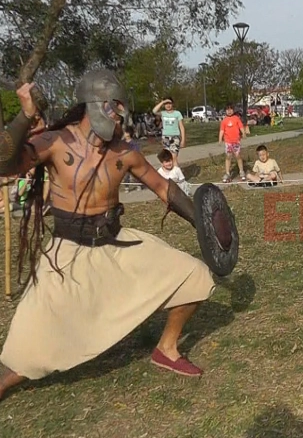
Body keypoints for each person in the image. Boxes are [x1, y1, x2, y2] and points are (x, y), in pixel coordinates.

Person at [0, 73, 218, 403]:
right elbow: (5, 163)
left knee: (195, 276)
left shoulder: (124, 152)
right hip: (67, 252)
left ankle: (167, 348)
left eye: (121, 107)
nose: (120, 114)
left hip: (115, 242)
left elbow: (163, 188)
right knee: (31, 342)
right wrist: (25, 114)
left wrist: (202, 222)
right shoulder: (56, 142)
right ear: (95, 105)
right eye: (115, 106)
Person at [152, 97, 186, 167]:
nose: (168, 105)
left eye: (169, 103)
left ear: (172, 104)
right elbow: (154, 111)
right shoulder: (163, 113)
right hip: (165, 137)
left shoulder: (177, 113)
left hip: (175, 137)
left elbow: (182, 127)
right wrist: (162, 102)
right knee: (167, 158)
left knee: (174, 157)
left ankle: (177, 176)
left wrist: (183, 140)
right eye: (166, 104)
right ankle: (169, 175)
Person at [219, 103, 248, 183]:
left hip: (236, 141)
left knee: (238, 156)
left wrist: (244, 133)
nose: (229, 111)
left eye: (231, 109)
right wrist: (220, 139)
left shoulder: (236, 118)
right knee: (228, 157)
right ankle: (227, 173)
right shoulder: (224, 121)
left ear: (233, 110)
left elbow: (241, 126)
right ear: (225, 111)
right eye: (227, 109)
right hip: (228, 142)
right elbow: (222, 130)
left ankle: (241, 171)